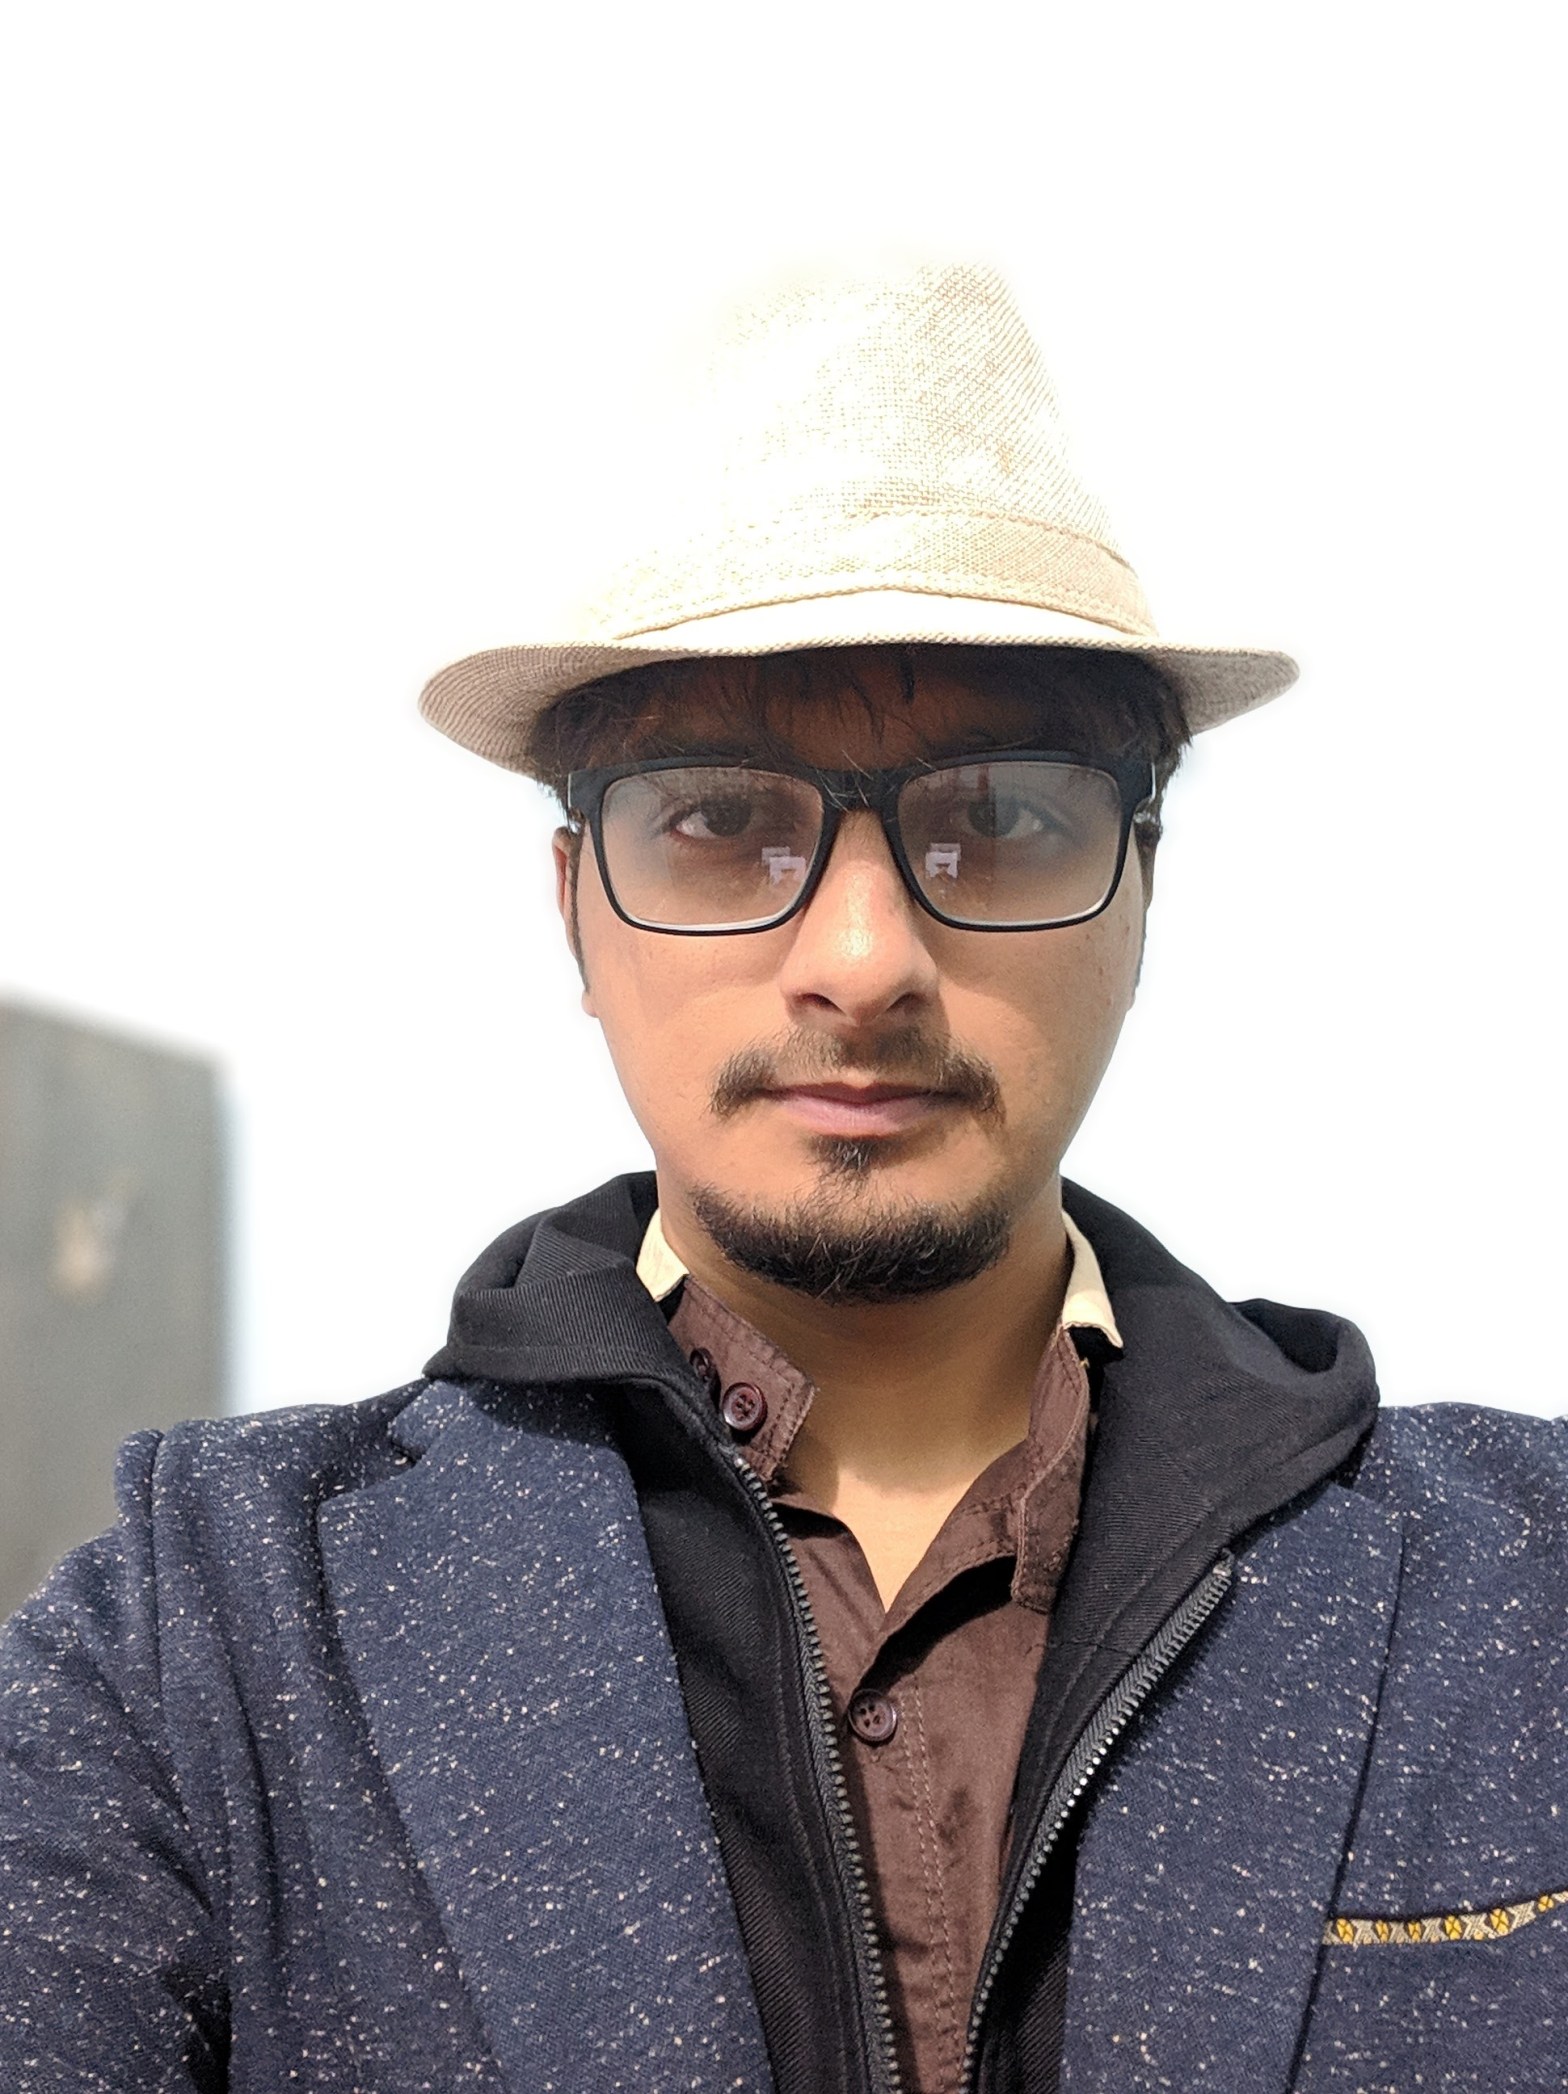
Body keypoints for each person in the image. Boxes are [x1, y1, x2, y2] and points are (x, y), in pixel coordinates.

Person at [2, 265, 1564, 2094]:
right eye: (721, 820)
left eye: (1000, 815)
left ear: (1145, 887)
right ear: (575, 910)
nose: (861, 960)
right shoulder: (204, 1642)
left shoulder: (1525, 1589)